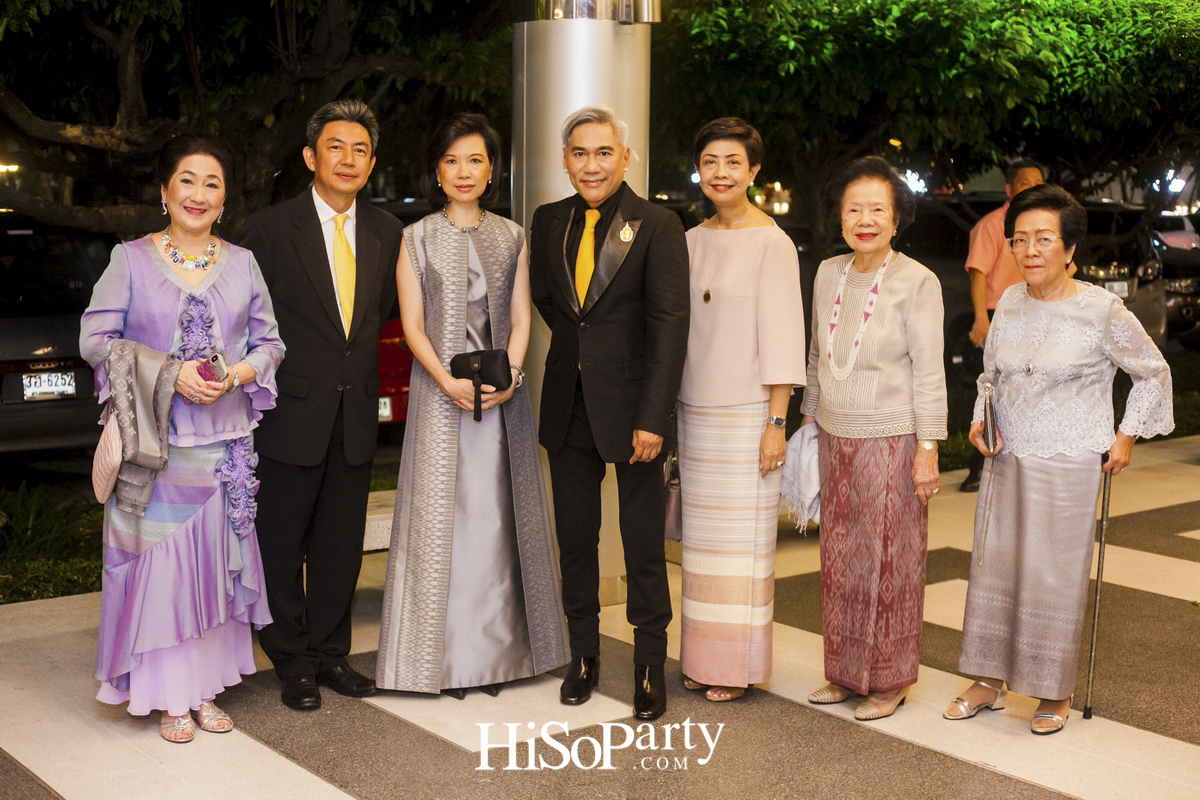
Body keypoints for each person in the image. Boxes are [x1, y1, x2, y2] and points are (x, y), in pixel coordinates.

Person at [946, 184, 1173, 735]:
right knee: (994, 564)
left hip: (1069, 458)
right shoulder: (1011, 303)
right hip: (1007, 454)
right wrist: (980, 416)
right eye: (1020, 240)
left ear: (1070, 248)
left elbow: (1153, 371)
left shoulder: (1101, 309)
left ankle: (1053, 689)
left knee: (1052, 572)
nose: (1029, 250)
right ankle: (986, 679)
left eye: (1043, 239)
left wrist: (1126, 436)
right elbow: (991, 375)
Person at [82, 134, 283, 742]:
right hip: (154, 450)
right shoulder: (130, 259)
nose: (198, 194)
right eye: (187, 181)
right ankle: (168, 697)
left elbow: (269, 344)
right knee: (161, 572)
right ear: (165, 191)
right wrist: (168, 371)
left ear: (224, 200)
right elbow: (96, 339)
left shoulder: (243, 263)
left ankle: (203, 690)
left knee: (213, 570)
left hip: (223, 448)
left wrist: (234, 374)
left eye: (212, 184)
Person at [375, 113, 569, 697]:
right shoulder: (416, 237)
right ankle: (443, 663)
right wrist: (445, 382)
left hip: (503, 398)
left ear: (492, 170)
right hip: (440, 402)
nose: (464, 172)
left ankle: (506, 657)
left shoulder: (511, 235)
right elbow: (410, 325)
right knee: (447, 522)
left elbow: (518, 318)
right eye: (452, 160)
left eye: (476, 160)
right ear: (437, 170)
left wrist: (508, 374)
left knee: (500, 519)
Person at [241, 100, 404, 710]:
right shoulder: (267, 229)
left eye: (360, 149)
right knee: (281, 543)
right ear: (311, 156)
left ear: (371, 162)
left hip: (356, 410)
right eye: (336, 146)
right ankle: (292, 659)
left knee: (340, 543)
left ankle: (333, 656)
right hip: (287, 413)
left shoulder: (388, 232)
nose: (348, 158)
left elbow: (380, 316)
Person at [528, 105, 689, 721]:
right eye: (579, 153)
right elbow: (551, 302)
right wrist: (584, 354)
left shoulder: (657, 223)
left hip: (634, 413)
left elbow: (670, 326)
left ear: (626, 158)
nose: (590, 164)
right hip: (568, 404)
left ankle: (649, 664)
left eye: (603, 153)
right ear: (565, 159)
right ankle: (585, 657)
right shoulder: (549, 221)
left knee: (642, 543)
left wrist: (653, 417)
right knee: (576, 541)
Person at [801, 156, 947, 721]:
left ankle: (889, 680)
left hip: (894, 439)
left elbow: (930, 370)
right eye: (853, 209)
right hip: (837, 437)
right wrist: (811, 420)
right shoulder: (827, 273)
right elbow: (817, 354)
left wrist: (928, 448)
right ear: (839, 219)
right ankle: (842, 671)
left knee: (890, 559)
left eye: (877, 210)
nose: (865, 219)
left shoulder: (918, 280)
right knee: (840, 558)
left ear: (896, 219)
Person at [676, 118, 806, 702]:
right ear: (698, 170)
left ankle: (737, 667)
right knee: (701, 550)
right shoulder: (689, 239)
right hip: (693, 411)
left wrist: (776, 423)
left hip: (750, 415)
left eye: (733, 162)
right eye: (710, 162)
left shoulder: (772, 243)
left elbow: (783, 339)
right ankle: (702, 658)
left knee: (744, 551)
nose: (720, 172)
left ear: (754, 171)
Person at [959, 158, 1045, 492]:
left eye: (1038, 181)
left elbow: (1067, 270)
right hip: (1000, 315)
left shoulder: (1050, 226)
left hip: (1038, 314)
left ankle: (1027, 460)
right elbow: (978, 271)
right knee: (991, 390)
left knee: (1033, 388)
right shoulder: (993, 225)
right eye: (1026, 182)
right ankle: (977, 466)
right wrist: (982, 317)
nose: (1033, 187)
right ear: (1009, 189)